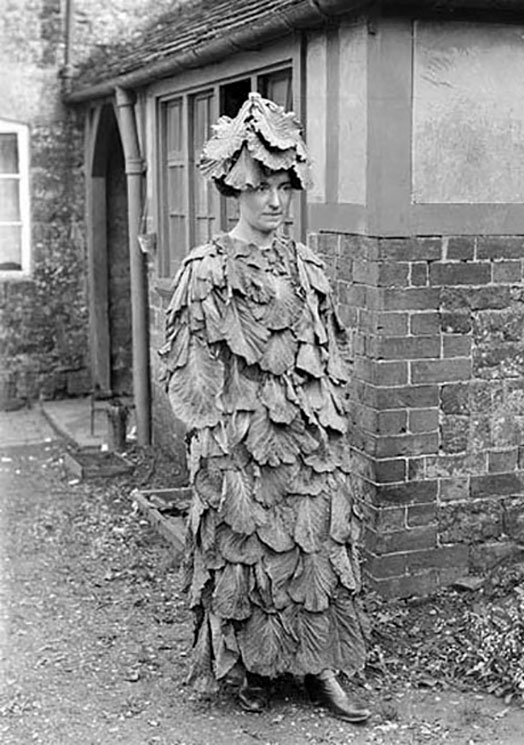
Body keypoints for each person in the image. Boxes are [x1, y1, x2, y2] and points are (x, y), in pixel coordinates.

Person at [159, 93, 370, 723]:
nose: (273, 201)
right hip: (240, 439)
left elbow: (333, 353)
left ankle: (320, 668)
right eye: (259, 188)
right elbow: (190, 368)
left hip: (308, 436)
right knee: (243, 549)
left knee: (316, 546)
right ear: (234, 190)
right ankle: (248, 664)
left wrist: (331, 424)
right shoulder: (204, 270)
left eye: (282, 187)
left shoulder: (309, 268)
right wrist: (213, 442)